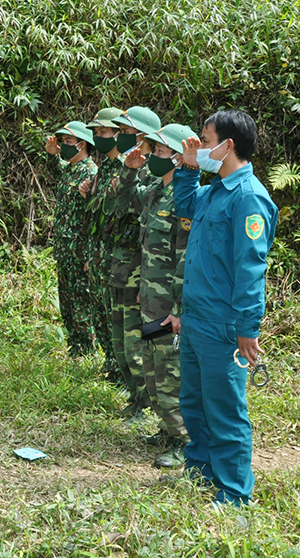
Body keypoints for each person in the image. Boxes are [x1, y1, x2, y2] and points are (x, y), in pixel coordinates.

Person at [174, 109, 278, 507]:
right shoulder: (214, 190)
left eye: (205, 140)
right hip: (196, 319)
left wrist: (247, 327)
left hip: (223, 325)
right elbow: (185, 205)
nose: (200, 147)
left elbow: (250, 269)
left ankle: (234, 494)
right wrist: (187, 167)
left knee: (226, 411)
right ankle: (200, 473)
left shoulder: (249, 198)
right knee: (195, 403)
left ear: (227, 145)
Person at [120, 123, 197, 469]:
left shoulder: (184, 201)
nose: (153, 156)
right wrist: (139, 288)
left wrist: (180, 307)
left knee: (171, 372)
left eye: (160, 152)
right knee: (153, 367)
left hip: (170, 307)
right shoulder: (154, 192)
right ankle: (168, 429)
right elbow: (144, 245)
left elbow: (185, 257)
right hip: (151, 300)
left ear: (179, 158)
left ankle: (184, 440)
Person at [105, 106, 160, 421]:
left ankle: (147, 403)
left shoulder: (158, 174)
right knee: (121, 340)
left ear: (143, 137)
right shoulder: (131, 167)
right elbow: (116, 206)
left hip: (143, 269)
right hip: (121, 264)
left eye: (126, 133)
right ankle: (136, 399)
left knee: (137, 341)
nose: (119, 138)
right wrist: (128, 170)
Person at [44, 121, 98, 356]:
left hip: (79, 250)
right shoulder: (70, 170)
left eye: (67, 142)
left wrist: (89, 255)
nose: (63, 146)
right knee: (66, 301)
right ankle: (75, 348)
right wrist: (52, 154)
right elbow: (56, 169)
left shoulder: (91, 172)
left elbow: (95, 216)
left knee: (80, 303)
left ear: (82, 144)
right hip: (65, 249)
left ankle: (88, 350)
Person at [81, 107, 127, 380]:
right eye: (96, 133)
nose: (99, 137)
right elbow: (97, 212)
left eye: (104, 132)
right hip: (98, 250)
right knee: (100, 310)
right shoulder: (105, 167)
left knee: (116, 314)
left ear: (118, 134)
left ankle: (124, 372)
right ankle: (111, 363)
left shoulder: (126, 166)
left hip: (116, 253)